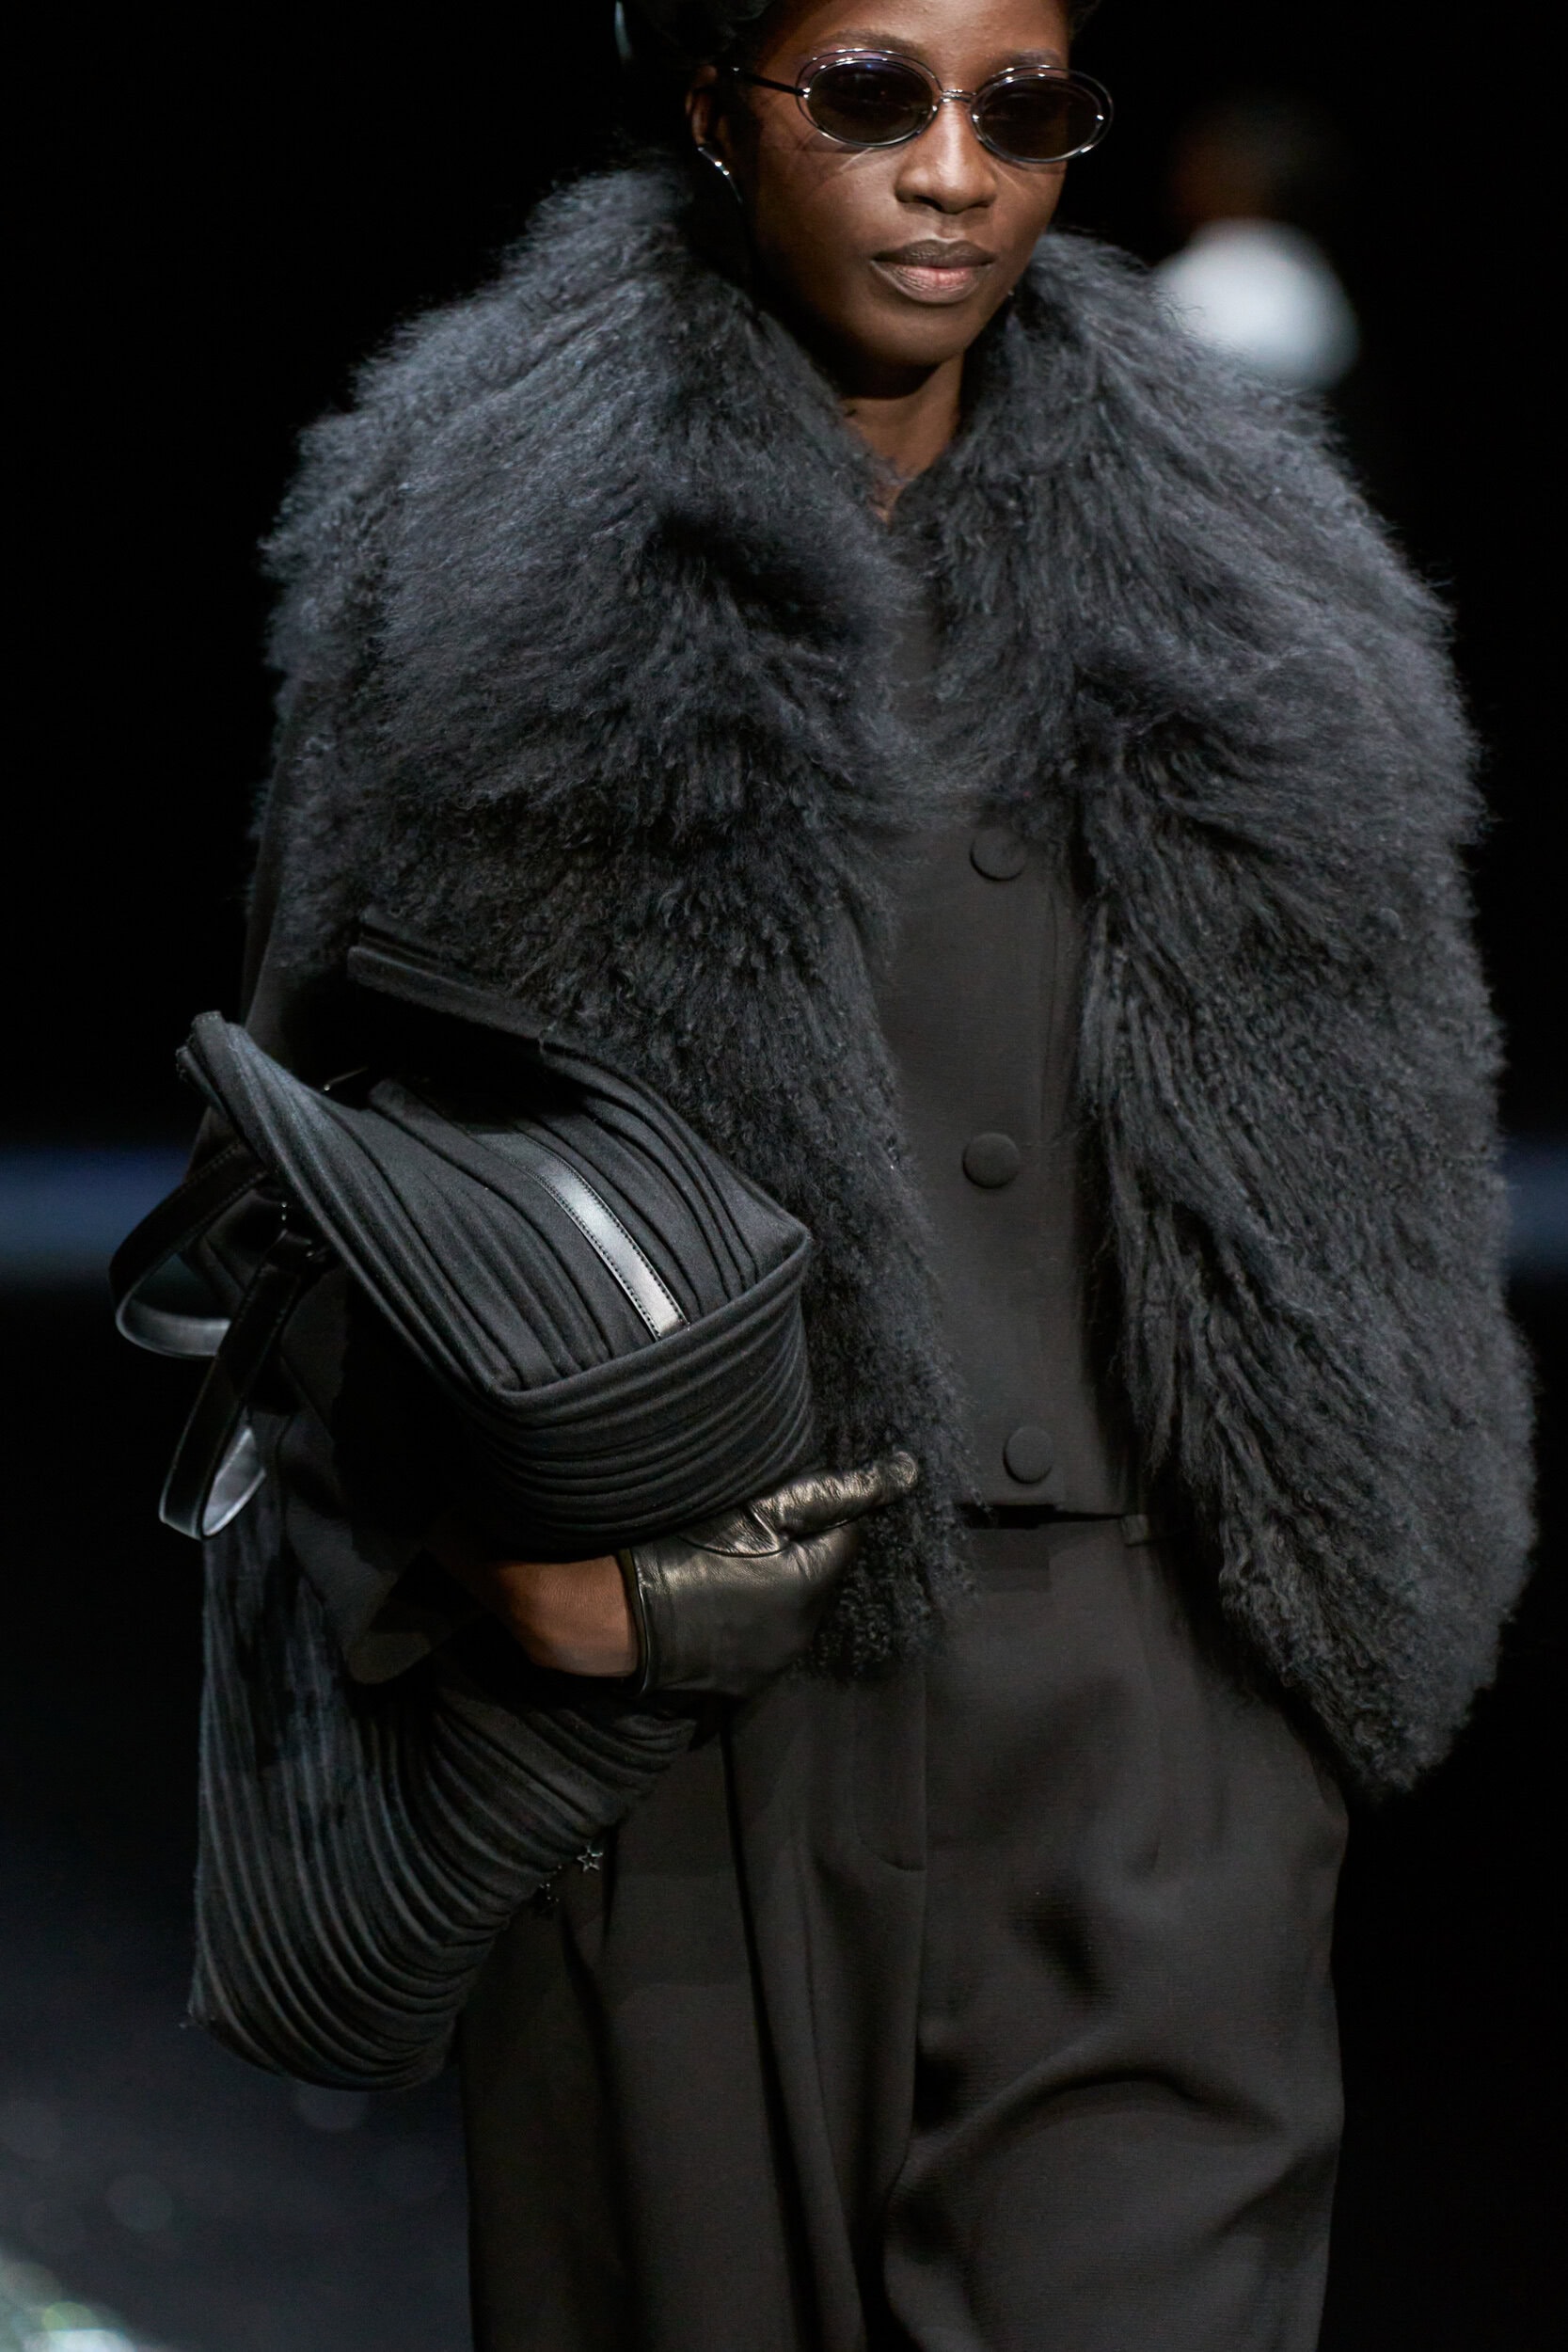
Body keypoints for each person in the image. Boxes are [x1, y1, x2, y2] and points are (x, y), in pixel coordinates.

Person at [184, 2, 1532, 2345]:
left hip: (1151, 1713)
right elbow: (308, 1142)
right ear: (722, 107)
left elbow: (1380, 1130)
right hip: (688, 1720)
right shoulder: (493, 533)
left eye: (1024, 109)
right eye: (875, 95)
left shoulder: (1253, 563)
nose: (953, 173)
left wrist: (1306, 1673)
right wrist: (491, 1567)